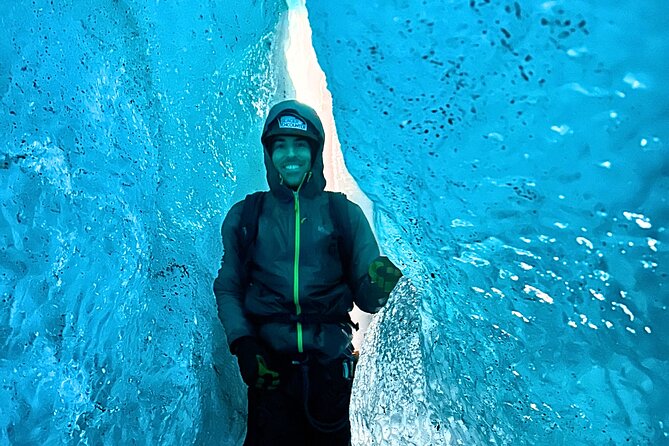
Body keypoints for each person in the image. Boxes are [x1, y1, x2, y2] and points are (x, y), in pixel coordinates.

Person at [213, 99, 402, 445]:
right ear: (269, 154)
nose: (291, 155)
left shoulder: (343, 214)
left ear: (315, 151)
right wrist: (244, 345)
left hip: (332, 377)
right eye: (280, 145)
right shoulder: (246, 216)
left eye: (301, 144)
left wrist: (379, 283)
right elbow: (228, 286)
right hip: (269, 375)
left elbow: (367, 299)